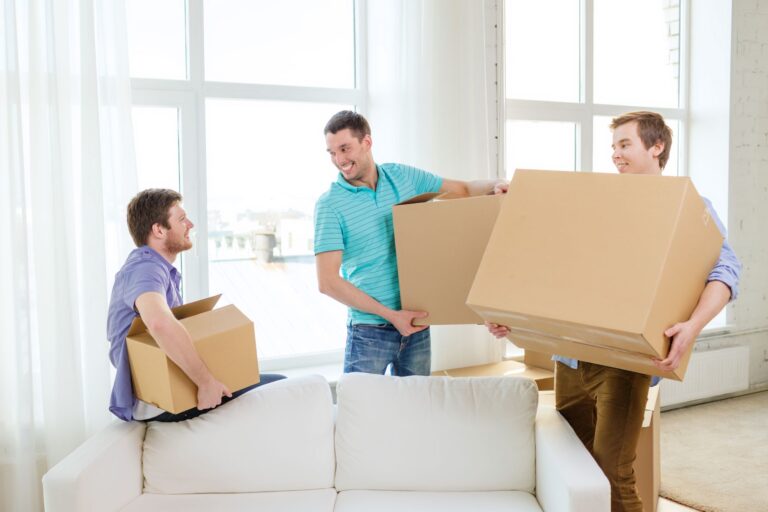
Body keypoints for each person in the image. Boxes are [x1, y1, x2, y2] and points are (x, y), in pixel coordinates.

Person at [486, 111, 741, 512]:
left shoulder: (689, 207)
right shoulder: (597, 199)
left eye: (625, 145)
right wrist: (513, 316)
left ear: (656, 147)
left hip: (624, 362)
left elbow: (726, 272)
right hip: (570, 356)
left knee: (611, 468)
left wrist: (692, 326)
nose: (615, 155)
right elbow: (549, 262)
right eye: (613, 147)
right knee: (572, 463)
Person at [315, 110, 507, 377]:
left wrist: (498, 184)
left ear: (367, 143)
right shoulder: (330, 205)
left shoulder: (401, 177)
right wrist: (392, 316)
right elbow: (328, 282)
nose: (339, 160)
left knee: (416, 411)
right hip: (369, 333)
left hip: (416, 327)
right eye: (332, 153)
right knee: (361, 413)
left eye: (345, 149)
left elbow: (463, 189)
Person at [107, 188, 284, 422]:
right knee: (282, 388)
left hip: (163, 389)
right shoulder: (145, 268)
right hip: (157, 400)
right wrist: (206, 383)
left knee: (272, 385)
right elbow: (159, 322)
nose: (190, 224)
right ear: (159, 229)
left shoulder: (155, 268)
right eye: (181, 219)